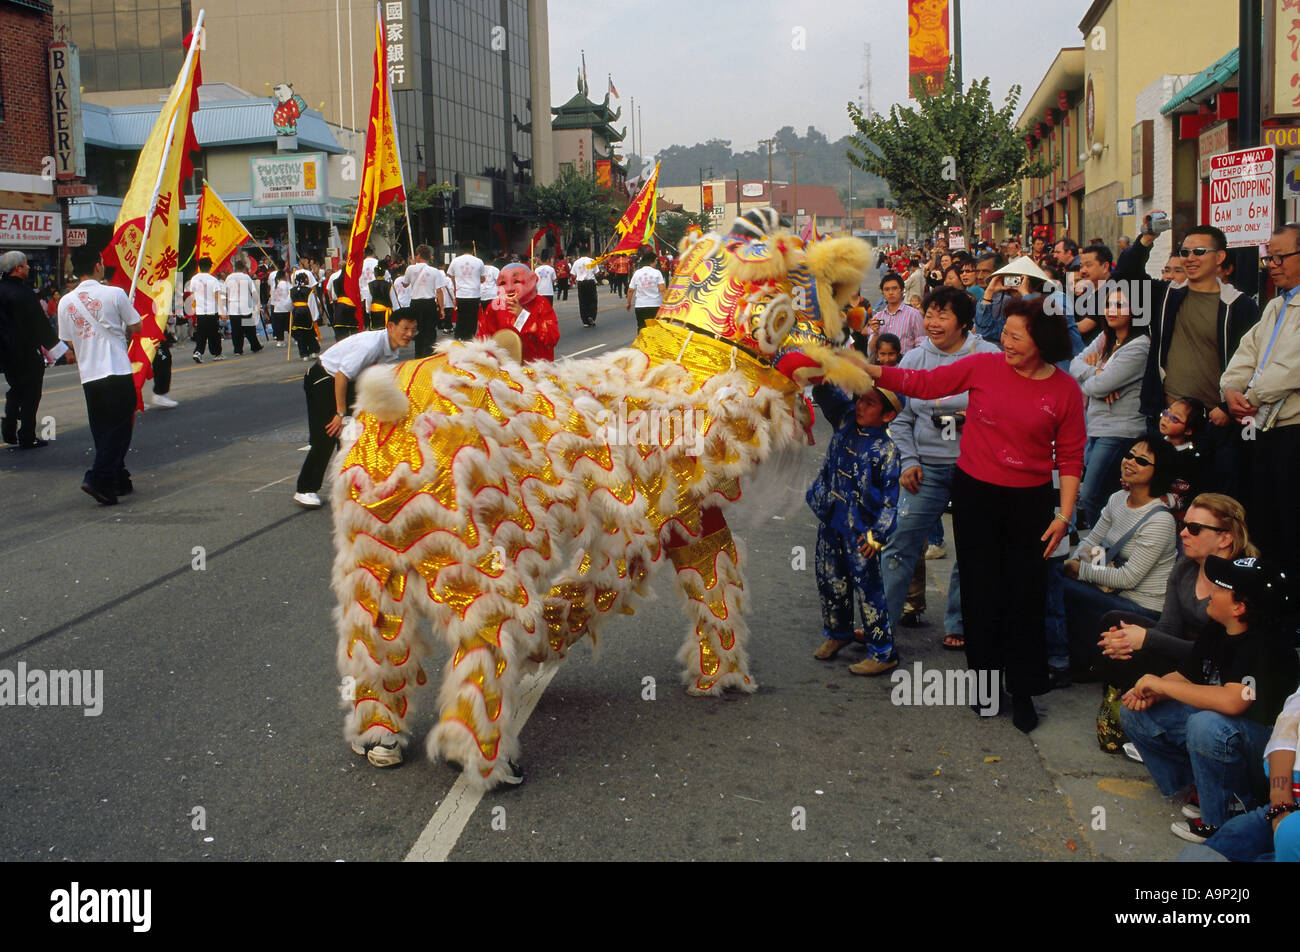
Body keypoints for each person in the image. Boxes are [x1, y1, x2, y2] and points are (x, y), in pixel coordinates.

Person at [867, 297, 1086, 732]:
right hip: (976, 495)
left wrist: (1062, 517)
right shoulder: (984, 366)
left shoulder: (1064, 390)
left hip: (1031, 503)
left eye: (1014, 336)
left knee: (1024, 595)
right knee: (980, 590)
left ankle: (1023, 690)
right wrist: (867, 369)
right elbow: (923, 383)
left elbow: (1073, 458)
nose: (1003, 342)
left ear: (1040, 342)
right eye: (1003, 333)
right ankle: (986, 686)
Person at [1120, 554, 1299, 842]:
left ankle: (1224, 820)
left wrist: (1163, 687)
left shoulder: (1266, 645)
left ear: (1239, 607)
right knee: (1134, 712)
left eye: (1220, 588)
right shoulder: (1218, 627)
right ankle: (1202, 791)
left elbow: (1234, 701)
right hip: (1229, 735)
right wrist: (1150, 690)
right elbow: (1188, 675)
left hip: (1265, 757)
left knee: (1208, 726)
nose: (1211, 590)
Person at [883, 285, 1002, 652]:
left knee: (971, 548)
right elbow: (898, 419)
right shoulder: (914, 359)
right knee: (900, 543)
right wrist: (909, 460)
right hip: (926, 470)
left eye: (943, 315)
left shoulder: (989, 356)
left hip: (976, 469)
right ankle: (879, 622)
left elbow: (1005, 412)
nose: (933, 322)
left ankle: (960, 622)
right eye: (929, 314)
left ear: (964, 322)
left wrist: (977, 417)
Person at [1092, 493, 1257, 756]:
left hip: (1216, 669)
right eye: (1183, 526)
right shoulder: (1185, 568)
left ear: (1225, 537)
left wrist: (1145, 639)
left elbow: (1213, 653)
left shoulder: (1238, 584)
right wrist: (1133, 639)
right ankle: (1120, 704)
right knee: (1115, 624)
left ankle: (1141, 716)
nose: (1183, 534)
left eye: (1194, 529)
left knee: (1137, 638)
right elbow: (1168, 629)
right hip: (1184, 656)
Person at [1131, 225, 1259, 503]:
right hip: (1166, 418)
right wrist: (1146, 239)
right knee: (1160, 500)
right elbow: (1126, 276)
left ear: (1220, 257)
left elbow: (1253, 364)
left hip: (1215, 425)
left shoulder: (1241, 306)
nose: (1190, 257)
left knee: (1214, 502)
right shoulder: (1166, 296)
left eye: (1199, 251)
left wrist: (1226, 407)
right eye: (1185, 252)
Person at [1221, 223, 1300, 591]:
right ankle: (1274, 600)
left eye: (1281, 257)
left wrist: (1248, 395)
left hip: (1292, 430)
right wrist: (1231, 387)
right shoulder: (1274, 306)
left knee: (1292, 523)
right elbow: (1246, 353)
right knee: (1265, 519)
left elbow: (1289, 370)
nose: (1272, 264)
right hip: (1261, 429)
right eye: (1270, 257)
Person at [807, 383, 902, 676]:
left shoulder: (886, 450)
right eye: (859, 399)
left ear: (887, 416)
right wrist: (823, 373)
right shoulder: (846, 418)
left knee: (868, 590)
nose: (860, 406)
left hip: (862, 533)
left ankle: (883, 651)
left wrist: (878, 536)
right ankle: (838, 633)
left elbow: (890, 500)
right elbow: (825, 394)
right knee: (829, 579)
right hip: (831, 518)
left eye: (870, 404)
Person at [1060, 437, 1179, 670]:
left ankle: (1064, 661)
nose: (1130, 462)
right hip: (1112, 592)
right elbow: (1091, 541)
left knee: (1059, 585)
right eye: (1129, 455)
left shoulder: (1160, 520)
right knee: (1055, 575)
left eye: (1142, 461)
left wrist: (1079, 570)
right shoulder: (1117, 499)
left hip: (1142, 607)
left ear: (1159, 472)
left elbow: (1128, 578)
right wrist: (1074, 563)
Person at [293, 311, 418, 509]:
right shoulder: (370, 345)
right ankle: (305, 489)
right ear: (390, 327)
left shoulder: (391, 348)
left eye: (413, 329)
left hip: (348, 382)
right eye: (405, 328)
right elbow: (342, 376)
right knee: (328, 434)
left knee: (353, 436)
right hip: (325, 378)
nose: (409, 334)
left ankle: (348, 487)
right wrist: (340, 414)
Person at [57, 257, 142, 505]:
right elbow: (136, 327)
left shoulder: (64, 302)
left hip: (90, 375)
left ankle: (118, 477)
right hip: (116, 369)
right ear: (97, 266)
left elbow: (69, 341)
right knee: (120, 429)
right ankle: (99, 478)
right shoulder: (115, 293)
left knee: (103, 429)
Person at [1069, 288, 1151, 529]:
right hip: (1095, 426)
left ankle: (1103, 550)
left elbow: (1100, 386)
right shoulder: (1106, 338)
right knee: (1104, 495)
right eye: (1109, 305)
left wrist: (1097, 381)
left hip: (1120, 430)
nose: (1112, 311)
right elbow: (1075, 364)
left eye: (1120, 305)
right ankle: (1106, 554)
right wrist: (1096, 372)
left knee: (1091, 495)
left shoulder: (1140, 345)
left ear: (1136, 310)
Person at [1192, 686, 1300, 861]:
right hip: (1288, 804)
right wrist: (1281, 808)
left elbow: (1235, 700)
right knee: (1216, 850)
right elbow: (1284, 737)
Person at [0, 251, 60, 448]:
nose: (28, 268)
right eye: (26, 265)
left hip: (6, 354)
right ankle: (27, 435)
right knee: (31, 394)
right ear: (17, 268)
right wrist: (59, 350)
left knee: (16, 387)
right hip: (26, 352)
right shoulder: (24, 294)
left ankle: (9, 423)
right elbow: (40, 325)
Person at [475, 263, 560, 362]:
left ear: (532, 279)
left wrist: (522, 316)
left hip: (537, 367)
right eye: (503, 283)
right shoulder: (496, 307)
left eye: (517, 281)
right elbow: (484, 338)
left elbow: (551, 338)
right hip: (506, 369)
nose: (510, 288)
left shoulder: (541, 304)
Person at [1160, 397, 1207, 523]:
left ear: (1188, 430)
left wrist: (1170, 499)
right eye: (1166, 412)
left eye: (1174, 418)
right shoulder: (1153, 444)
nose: (1166, 419)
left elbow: (1192, 490)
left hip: (1174, 515)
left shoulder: (1192, 458)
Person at [399, 245, 445, 358]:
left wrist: (411, 266)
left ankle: (418, 355)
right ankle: (429, 355)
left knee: (417, 330)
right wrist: (442, 309)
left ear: (418, 255)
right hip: (429, 303)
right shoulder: (435, 271)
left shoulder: (410, 268)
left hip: (415, 303)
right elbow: (439, 291)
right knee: (430, 331)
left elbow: (405, 285)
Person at [869, 272, 923, 355]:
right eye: (886, 289)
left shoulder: (914, 315)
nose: (890, 292)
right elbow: (872, 350)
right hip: (883, 366)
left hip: (905, 365)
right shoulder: (877, 317)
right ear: (883, 292)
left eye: (894, 288)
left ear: (901, 290)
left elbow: (921, 345)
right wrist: (876, 333)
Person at [186, 257, 225, 363]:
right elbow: (217, 297)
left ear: (199, 267)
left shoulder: (194, 279)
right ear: (210, 266)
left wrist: (193, 308)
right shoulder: (213, 280)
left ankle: (198, 352)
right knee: (214, 334)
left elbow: (192, 295)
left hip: (200, 312)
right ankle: (217, 353)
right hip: (212, 311)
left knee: (201, 334)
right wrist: (222, 312)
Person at [224, 258, 262, 356]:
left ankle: (238, 349)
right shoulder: (246, 277)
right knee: (250, 329)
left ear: (234, 268)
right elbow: (254, 292)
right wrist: (258, 304)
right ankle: (255, 345)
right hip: (245, 307)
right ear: (243, 268)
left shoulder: (229, 278)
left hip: (233, 308)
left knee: (236, 330)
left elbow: (225, 293)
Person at [446, 244, 484, 341]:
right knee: (472, 318)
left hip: (461, 294)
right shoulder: (479, 261)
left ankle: (459, 337)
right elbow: (483, 279)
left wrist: (456, 284)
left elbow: (449, 275)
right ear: (472, 250)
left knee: (461, 317)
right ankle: (470, 338)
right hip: (474, 295)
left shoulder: (455, 261)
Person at [626, 250, 666, 330]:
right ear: (651, 261)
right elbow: (662, 290)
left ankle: (642, 342)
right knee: (655, 329)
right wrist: (666, 303)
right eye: (655, 261)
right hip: (655, 305)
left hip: (640, 306)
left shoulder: (637, 273)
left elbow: (630, 290)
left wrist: (628, 303)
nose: (656, 263)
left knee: (642, 328)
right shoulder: (657, 273)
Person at [289, 273, 320, 360]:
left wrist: (291, 310)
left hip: (296, 312)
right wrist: (314, 317)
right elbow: (312, 304)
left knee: (300, 334)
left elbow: (289, 303)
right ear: (305, 280)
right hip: (306, 312)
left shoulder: (292, 290)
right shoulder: (309, 290)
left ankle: (304, 354)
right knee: (309, 333)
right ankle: (313, 351)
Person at [572, 252, 598, 327]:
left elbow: (573, 274)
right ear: (588, 253)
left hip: (581, 283)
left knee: (583, 301)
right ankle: (592, 316)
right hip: (590, 282)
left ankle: (585, 321)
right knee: (592, 300)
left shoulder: (576, 262)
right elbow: (597, 273)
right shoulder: (592, 261)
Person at [367, 262, 394, 331]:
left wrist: (368, 310)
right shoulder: (389, 285)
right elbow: (394, 301)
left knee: (375, 332)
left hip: (375, 312)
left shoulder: (370, 285)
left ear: (375, 274)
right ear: (384, 273)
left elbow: (368, 300)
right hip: (387, 313)